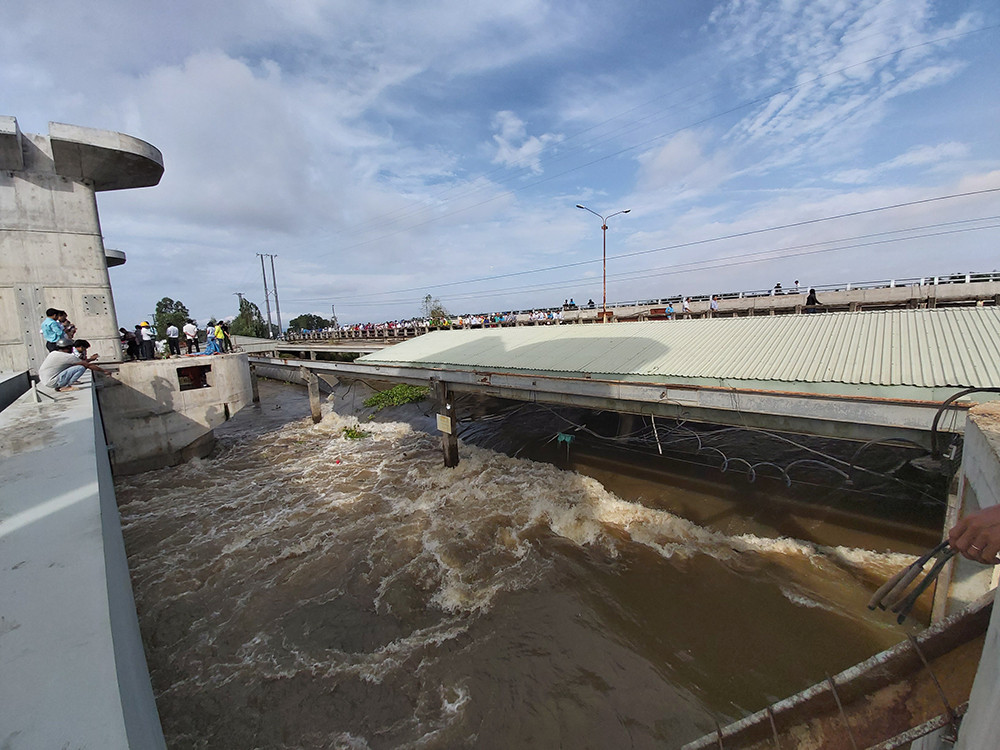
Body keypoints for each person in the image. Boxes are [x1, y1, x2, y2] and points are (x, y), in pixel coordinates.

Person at [37, 337, 111, 392]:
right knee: (81, 368)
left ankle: (61, 385)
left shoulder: (53, 353)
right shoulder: (67, 356)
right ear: (68, 347)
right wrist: (104, 371)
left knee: (76, 366)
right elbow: (86, 365)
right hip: (52, 381)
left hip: (46, 381)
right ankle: (66, 386)